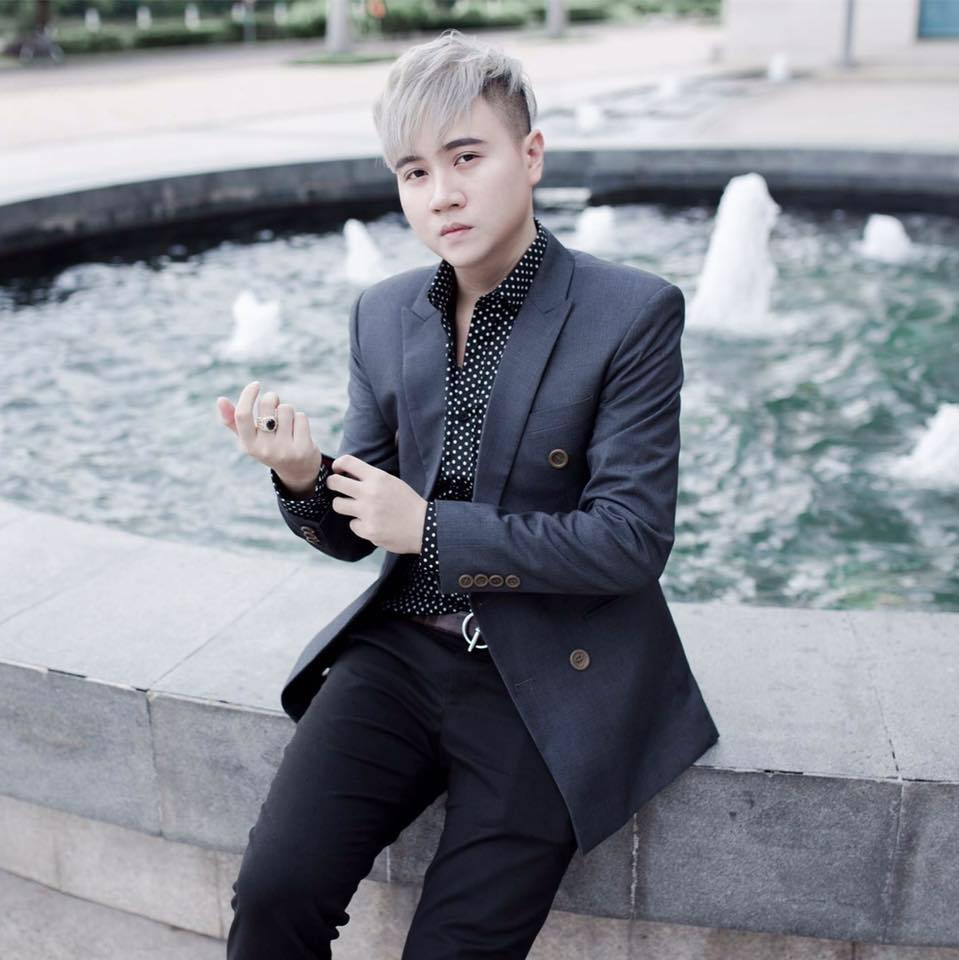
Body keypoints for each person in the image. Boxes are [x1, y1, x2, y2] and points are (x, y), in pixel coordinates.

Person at [216, 27, 719, 959]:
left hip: (550, 671)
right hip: (402, 652)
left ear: (530, 156)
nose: (440, 193)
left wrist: (432, 529)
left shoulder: (631, 311)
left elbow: (629, 539)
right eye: (413, 172)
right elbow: (359, 532)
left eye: (465, 157)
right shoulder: (382, 313)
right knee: (273, 895)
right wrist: (302, 474)